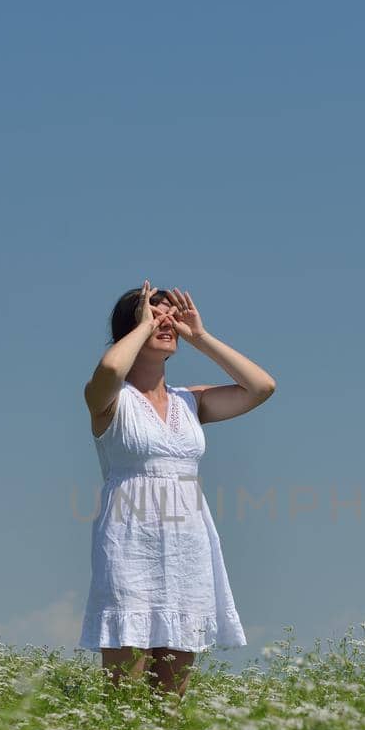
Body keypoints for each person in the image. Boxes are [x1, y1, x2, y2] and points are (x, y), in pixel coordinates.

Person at [78, 281, 277, 695]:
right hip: (130, 545)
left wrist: (200, 337)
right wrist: (142, 326)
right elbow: (113, 369)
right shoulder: (111, 399)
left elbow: (261, 387)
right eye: (154, 312)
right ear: (130, 328)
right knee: (125, 696)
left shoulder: (191, 401)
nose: (165, 320)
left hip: (187, 549)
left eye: (170, 313)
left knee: (170, 700)